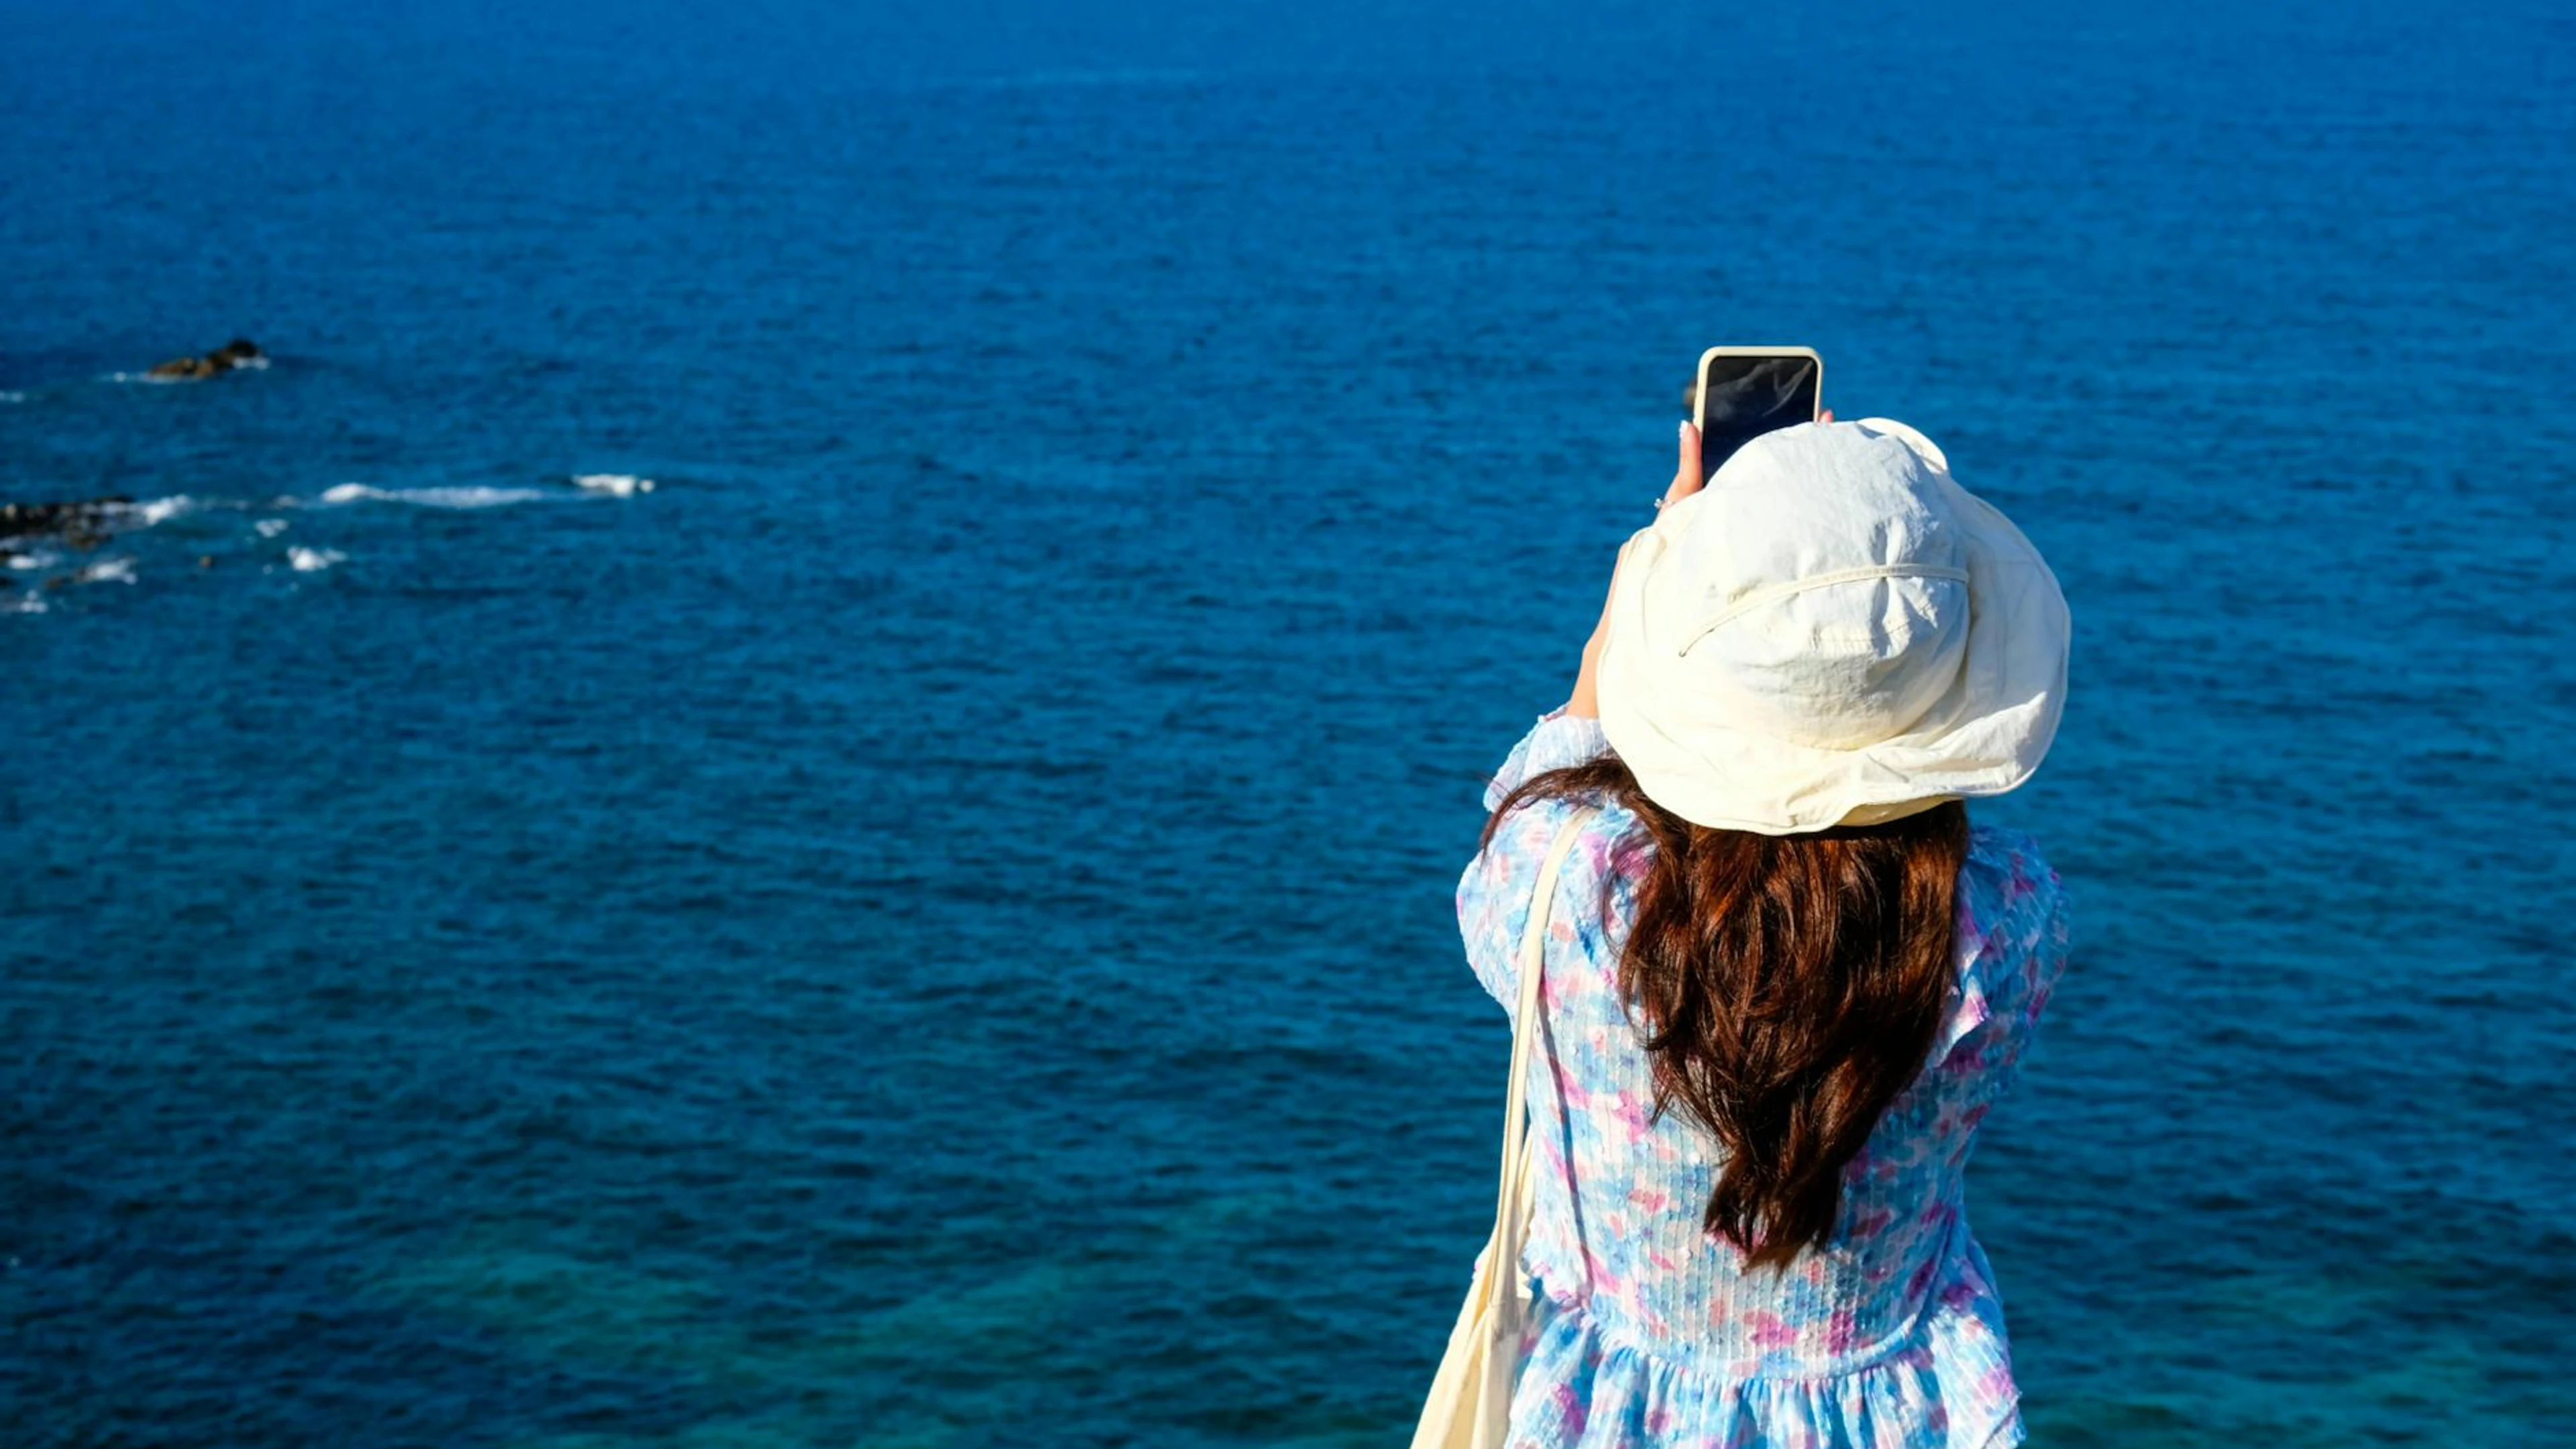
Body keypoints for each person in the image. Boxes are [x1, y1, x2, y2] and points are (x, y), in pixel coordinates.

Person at [1457, 410, 2072, 1448]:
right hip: (1895, 1411)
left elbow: (1536, 803)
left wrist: (1636, 594)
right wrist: (1844, 568)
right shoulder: (2007, 925)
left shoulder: (1569, 892)